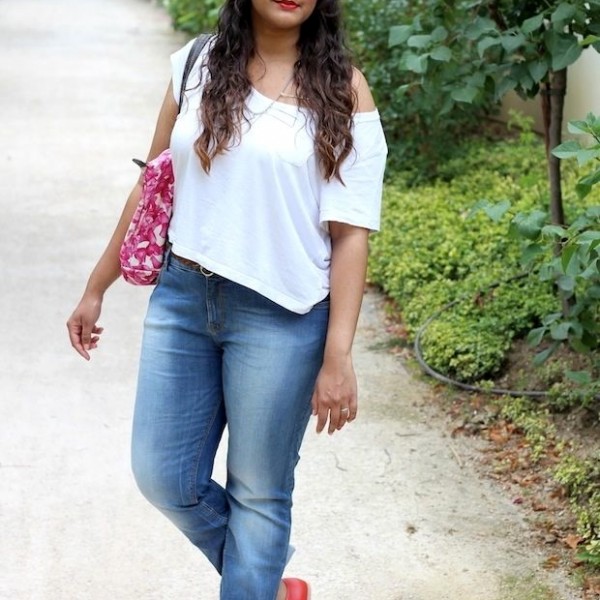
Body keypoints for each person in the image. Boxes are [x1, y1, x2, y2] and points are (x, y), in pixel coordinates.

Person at [67, 0, 387, 598]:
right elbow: (152, 183)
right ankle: (265, 582)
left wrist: (338, 354)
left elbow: (351, 234)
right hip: (183, 298)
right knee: (163, 476)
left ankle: (255, 582)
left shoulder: (345, 90)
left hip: (283, 316)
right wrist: (96, 286)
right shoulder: (195, 64)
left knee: (259, 493)